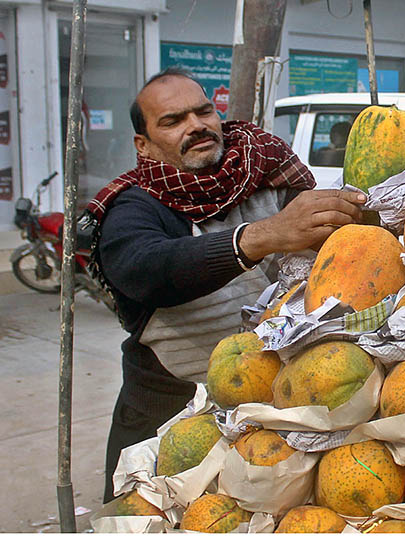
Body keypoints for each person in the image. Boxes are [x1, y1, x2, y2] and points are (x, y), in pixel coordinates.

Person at [85, 67, 365, 503]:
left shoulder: (265, 172)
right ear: (144, 144)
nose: (196, 126)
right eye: (173, 121)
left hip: (276, 403)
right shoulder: (132, 205)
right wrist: (260, 237)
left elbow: (333, 250)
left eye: (203, 112)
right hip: (171, 407)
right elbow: (147, 268)